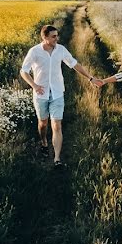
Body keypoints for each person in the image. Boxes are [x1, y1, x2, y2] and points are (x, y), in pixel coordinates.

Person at [20, 24, 99, 167]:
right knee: (43, 123)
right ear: (45, 37)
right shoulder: (35, 52)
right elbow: (24, 71)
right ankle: (44, 142)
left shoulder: (61, 50)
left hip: (57, 92)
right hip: (41, 94)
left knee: (56, 125)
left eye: (57, 35)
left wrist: (90, 78)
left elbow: (75, 64)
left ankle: (57, 159)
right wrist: (35, 85)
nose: (57, 38)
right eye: (53, 36)